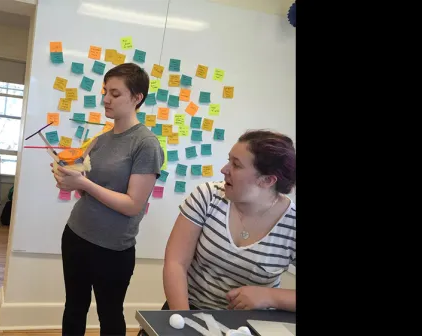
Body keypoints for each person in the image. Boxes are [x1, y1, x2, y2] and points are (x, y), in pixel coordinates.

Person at [52, 63, 164, 335]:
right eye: (105, 92)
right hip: (77, 235)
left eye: (115, 94)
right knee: (74, 307)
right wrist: (68, 176)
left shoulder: (146, 144)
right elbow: (86, 189)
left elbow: (132, 205)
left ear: (137, 98)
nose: (106, 99)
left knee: (110, 315)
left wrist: (84, 183)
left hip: (113, 249)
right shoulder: (101, 140)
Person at [162, 129, 296, 312]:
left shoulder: (292, 223)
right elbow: (176, 263)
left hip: (251, 323)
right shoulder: (207, 196)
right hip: (190, 309)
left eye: (236, 165)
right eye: (228, 160)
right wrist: (185, 320)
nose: (224, 170)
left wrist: (270, 297)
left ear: (267, 180)